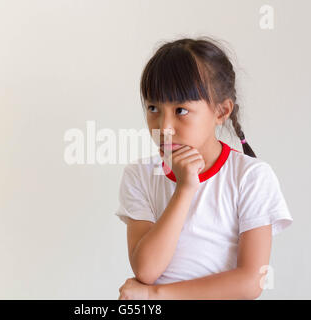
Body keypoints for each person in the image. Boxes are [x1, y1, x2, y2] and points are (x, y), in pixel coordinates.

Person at [115, 37, 293, 300]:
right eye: (153, 108)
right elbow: (146, 269)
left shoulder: (251, 177)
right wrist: (185, 189)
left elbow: (250, 282)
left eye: (181, 110)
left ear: (221, 112)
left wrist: (155, 295)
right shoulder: (140, 175)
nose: (164, 127)